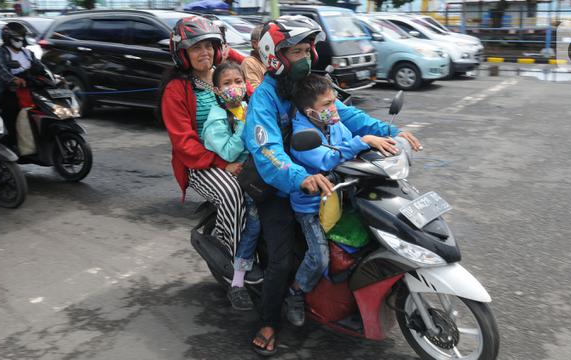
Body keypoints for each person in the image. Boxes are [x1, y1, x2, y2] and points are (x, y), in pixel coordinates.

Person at [243, 16, 422, 356]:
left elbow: (347, 115)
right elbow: (268, 152)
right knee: (281, 259)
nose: (305, 57)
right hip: (277, 187)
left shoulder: (308, 83)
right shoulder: (263, 99)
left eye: (306, 49)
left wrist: (389, 132)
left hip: (322, 178)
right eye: (295, 51)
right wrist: (300, 176)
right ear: (274, 56)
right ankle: (269, 321)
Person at [287, 74, 400, 323]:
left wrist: (380, 143)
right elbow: (327, 158)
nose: (333, 107)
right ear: (310, 111)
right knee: (319, 257)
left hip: (341, 195)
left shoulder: (334, 122)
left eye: (334, 100)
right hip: (312, 207)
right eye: (326, 104)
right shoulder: (302, 136)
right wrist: (363, 141)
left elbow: (349, 142)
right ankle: (295, 292)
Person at [160, 17, 247, 279]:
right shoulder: (176, 90)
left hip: (241, 151)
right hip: (203, 163)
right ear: (182, 54)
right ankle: (232, 262)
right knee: (232, 193)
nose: (204, 52)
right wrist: (223, 164)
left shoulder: (226, 77)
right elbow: (184, 144)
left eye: (209, 46)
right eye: (196, 47)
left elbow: (254, 96)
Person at [199, 61, 260, 311]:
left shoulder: (248, 107)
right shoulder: (216, 118)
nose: (234, 87)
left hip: (262, 168)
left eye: (238, 81)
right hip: (244, 176)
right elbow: (227, 150)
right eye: (227, 83)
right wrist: (246, 124)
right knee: (255, 224)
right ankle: (237, 281)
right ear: (217, 90)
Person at [0, 22, 45, 148]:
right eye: (19, 37)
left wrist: (54, 76)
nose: (22, 40)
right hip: (9, 91)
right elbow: (1, 70)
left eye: (23, 37)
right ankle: (11, 143)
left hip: (29, 88)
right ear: (9, 38)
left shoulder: (27, 53)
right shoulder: (2, 53)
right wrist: (14, 79)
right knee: (12, 109)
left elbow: (40, 66)